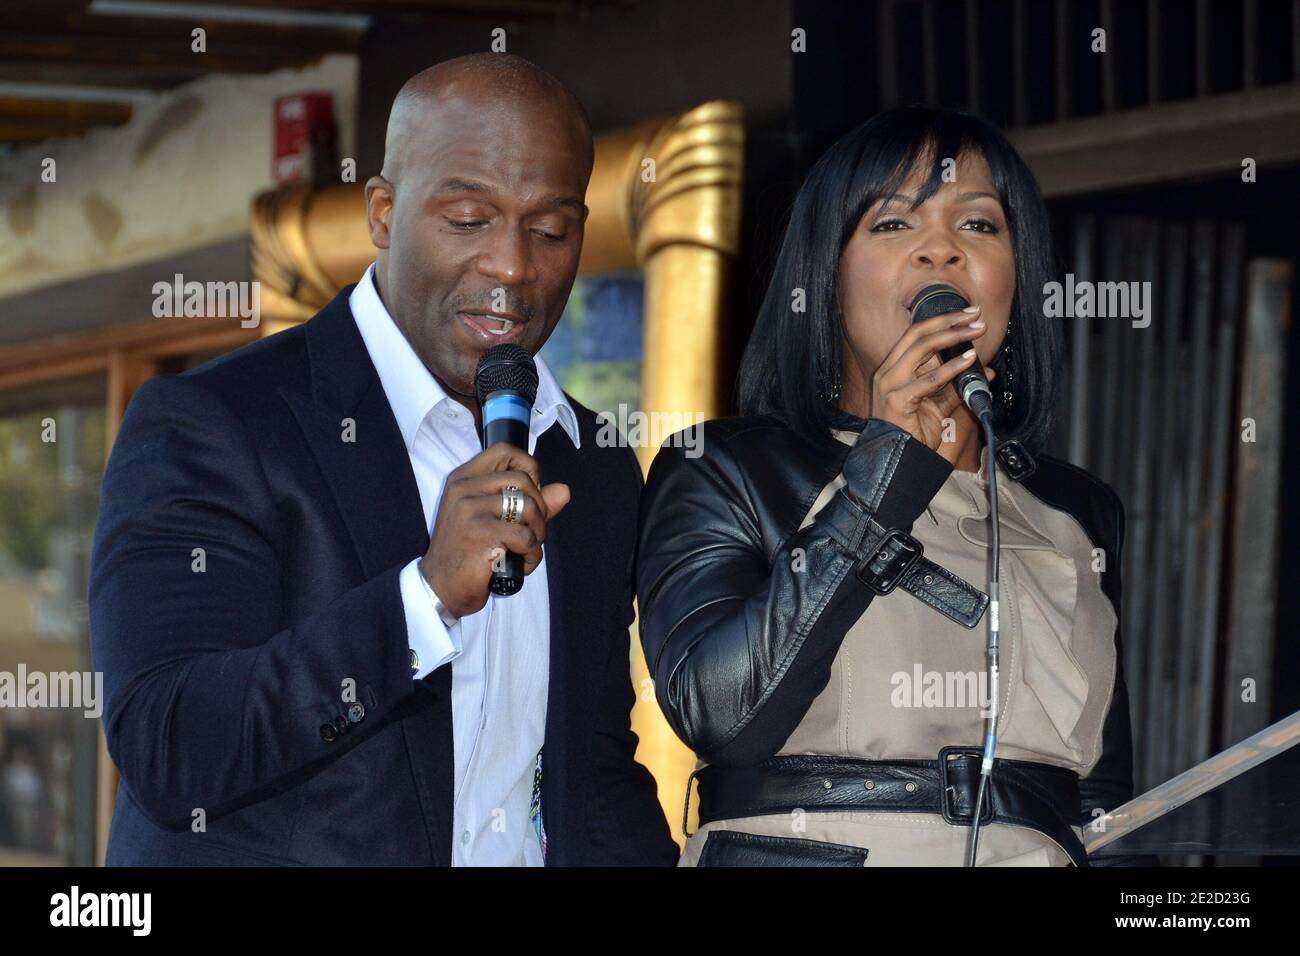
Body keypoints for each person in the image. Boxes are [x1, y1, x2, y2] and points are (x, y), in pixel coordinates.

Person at [90, 53, 676, 867]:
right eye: (469, 218)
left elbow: (591, 776)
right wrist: (423, 599)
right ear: (383, 213)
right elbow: (172, 745)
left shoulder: (596, 466)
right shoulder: (216, 424)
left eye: (550, 229)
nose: (512, 266)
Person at [637, 106, 1148, 866]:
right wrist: (884, 472)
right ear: (826, 272)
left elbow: (1103, 795)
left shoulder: (1077, 509)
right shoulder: (725, 467)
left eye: (978, 225)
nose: (940, 249)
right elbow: (722, 713)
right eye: (892, 225)